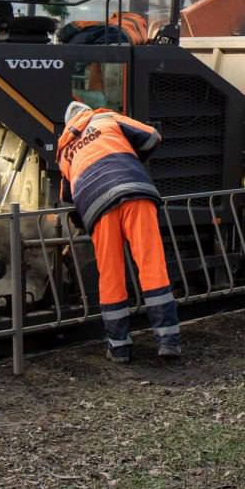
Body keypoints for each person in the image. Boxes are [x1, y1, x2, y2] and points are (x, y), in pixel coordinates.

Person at [57, 100, 180, 363]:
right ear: (86, 111)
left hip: (98, 208)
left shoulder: (65, 151)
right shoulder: (106, 119)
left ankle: (119, 347)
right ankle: (168, 341)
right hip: (135, 192)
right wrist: (129, 157)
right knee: (151, 265)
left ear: (68, 125)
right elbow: (151, 137)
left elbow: (68, 196)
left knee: (110, 275)